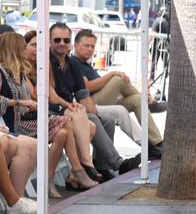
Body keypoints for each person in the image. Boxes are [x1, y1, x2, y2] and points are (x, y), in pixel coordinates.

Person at [0, 32, 90, 197]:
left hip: (27, 119)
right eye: (23, 46)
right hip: (15, 123)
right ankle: (76, 170)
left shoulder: (19, 71)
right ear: (13, 49)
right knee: (66, 123)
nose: (26, 49)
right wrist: (22, 102)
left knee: (63, 132)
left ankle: (52, 179)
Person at [48, 22, 140, 179]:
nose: (62, 43)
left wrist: (95, 113)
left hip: (71, 109)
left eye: (66, 40)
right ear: (49, 40)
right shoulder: (45, 62)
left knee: (107, 121)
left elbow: (82, 94)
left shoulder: (73, 64)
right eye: (57, 40)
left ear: (70, 42)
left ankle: (102, 167)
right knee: (92, 118)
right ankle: (117, 163)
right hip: (51, 110)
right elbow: (52, 97)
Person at [70, 29, 164, 159]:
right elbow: (87, 87)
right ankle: (148, 102)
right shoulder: (74, 62)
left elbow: (102, 88)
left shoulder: (86, 64)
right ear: (75, 46)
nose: (90, 49)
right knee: (118, 79)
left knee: (136, 99)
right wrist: (111, 74)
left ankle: (157, 142)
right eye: (86, 45)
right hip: (88, 103)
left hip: (99, 100)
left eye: (92, 46)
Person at [23, 31, 98, 189]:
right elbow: (36, 94)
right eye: (33, 45)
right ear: (24, 48)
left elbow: (53, 96)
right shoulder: (23, 68)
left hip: (46, 113)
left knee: (89, 124)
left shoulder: (41, 67)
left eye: (40, 46)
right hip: (30, 118)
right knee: (67, 127)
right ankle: (81, 168)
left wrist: (69, 104)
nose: (37, 49)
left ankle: (76, 172)